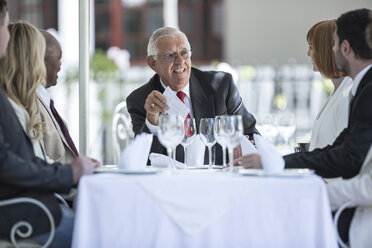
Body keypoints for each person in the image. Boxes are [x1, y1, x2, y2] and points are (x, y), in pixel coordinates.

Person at [0, 12, 100, 248]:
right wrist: (68, 175)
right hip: (26, 215)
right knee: (103, 234)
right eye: (39, 58)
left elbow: (25, 161)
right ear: (27, 61)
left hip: (39, 206)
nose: (46, 66)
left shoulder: (16, 105)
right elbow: (7, 164)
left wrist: (72, 173)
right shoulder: (10, 105)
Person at [238, 9, 372, 181]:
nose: (308, 54)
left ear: (343, 48)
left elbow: (346, 158)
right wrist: (278, 161)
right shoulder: (350, 90)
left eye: (312, 47)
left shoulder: (352, 94)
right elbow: (336, 148)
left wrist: (278, 163)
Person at [126, 26, 258, 164]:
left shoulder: (221, 86)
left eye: (184, 53)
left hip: (217, 179)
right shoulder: (140, 100)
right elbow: (142, 161)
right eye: (170, 55)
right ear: (153, 63)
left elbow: (251, 133)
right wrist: (152, 120)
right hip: (170, 182)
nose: (180, 61)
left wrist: (242, 143)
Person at [326, 15, 372, 248]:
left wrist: (317, 193)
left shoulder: (365, 91)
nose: (331, 50)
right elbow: (341, 145)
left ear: (345, 48)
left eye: (333, 44)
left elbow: (349, 158)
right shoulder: (361, 88)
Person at [306, 20, 353, 151]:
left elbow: (344, 154)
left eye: (311, 47)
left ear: (326, 50)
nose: (308, 54)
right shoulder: (337, 92)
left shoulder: (347, 94)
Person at [37, 29, 78, 164]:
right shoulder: (30, 102)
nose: (60, 66)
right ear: (40, 60)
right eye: (58, 57)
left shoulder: (44, 98)